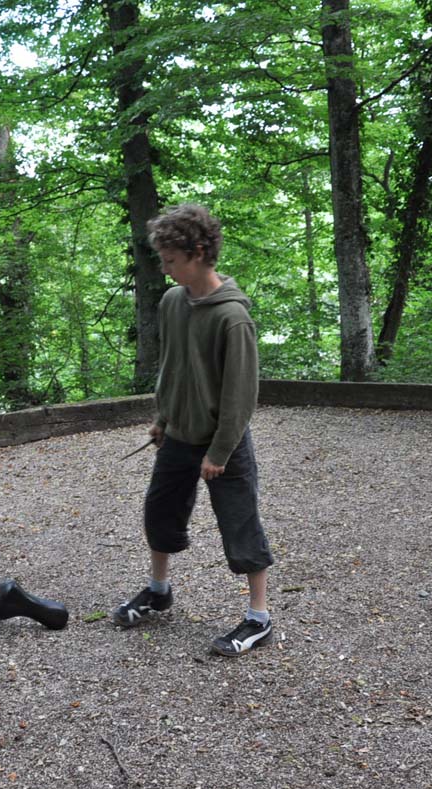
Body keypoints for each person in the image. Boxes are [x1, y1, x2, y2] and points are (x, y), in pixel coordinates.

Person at [111, 204, 275, 657]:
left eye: (171, 260)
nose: (165, 269)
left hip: (224, 444)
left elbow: (241, 395)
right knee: (159, 513)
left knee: (240, 525)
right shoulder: (171, 302)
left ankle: (259, 618)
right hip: (178, 435)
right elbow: (173, 369)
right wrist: (163, 418)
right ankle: (158, 592)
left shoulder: (232, 318)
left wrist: (219, 453)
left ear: (198, 253)